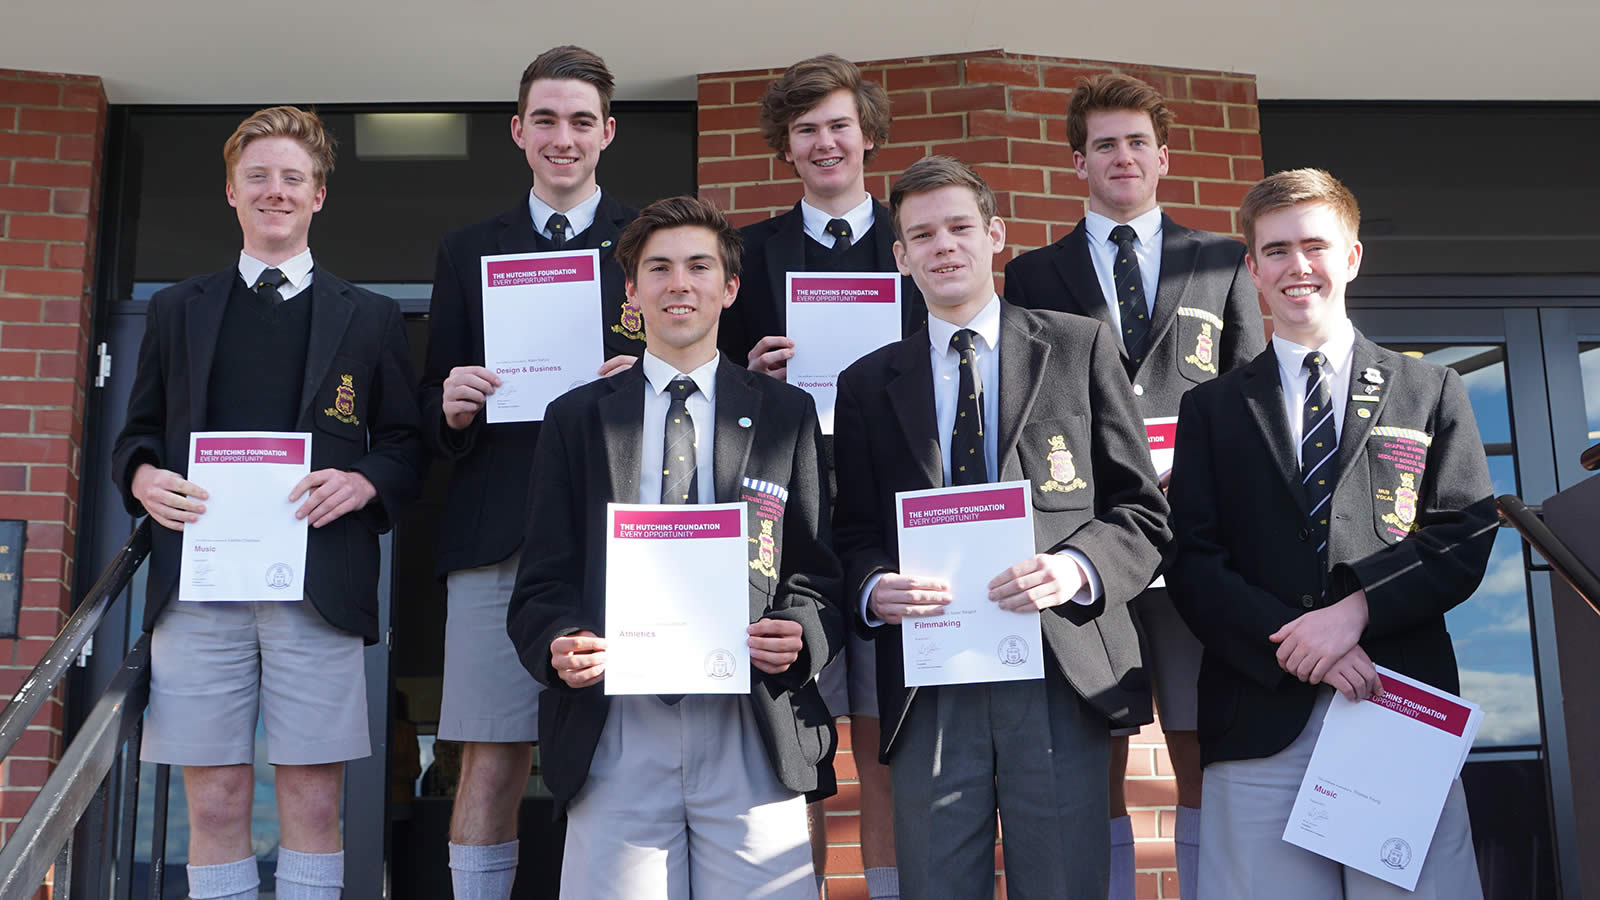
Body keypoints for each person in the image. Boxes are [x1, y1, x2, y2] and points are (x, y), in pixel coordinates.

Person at [832, 156, 1169, 899]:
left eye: (959, 227)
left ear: (995, 236)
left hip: (1056, 666)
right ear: (901, 256)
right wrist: (872, 588)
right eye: (922, 235)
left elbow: (1142, 512)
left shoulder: (1078, 346)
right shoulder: (865, 383)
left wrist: (1076, 568)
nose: (943, 246)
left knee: (1061, 883)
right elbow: (851, 531)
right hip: (932, 673)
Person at [113, 106, 425, 900]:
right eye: (259, 176)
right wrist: (143, 480)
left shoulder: (374, 316)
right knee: (213, 799)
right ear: (231, 191)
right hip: (201, 589)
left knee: (313, 800)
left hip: (316, 588)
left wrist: (363, 482)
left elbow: (404, 442)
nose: (275, 191)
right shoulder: (179, 308)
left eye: (293, 178)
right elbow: (138, 435)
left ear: (319, 194)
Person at [1167, 168, 1494, 899]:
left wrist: (1353, 614)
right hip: (1256, 717)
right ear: (1252, 268)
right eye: (1275, 250)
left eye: (1314, 245)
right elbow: (1193, 560)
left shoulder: (1429, 390)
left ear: (1351, 256)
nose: (1296, 266)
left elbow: (1462, 534)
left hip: (1396, 707)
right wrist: (1298, 642)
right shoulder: (1213, 409)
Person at [506, 195, 844, 899]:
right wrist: (559, 641)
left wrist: (802, 633)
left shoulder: (786, 413)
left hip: (751, 722)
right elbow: (543, 578)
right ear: (631, 292)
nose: (678, 284)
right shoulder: (575, 419)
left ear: (730, 287)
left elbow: (816, 569)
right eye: (658, 269)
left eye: (698, 266)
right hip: (618, 724)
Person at [1002, 72, 1265, 900]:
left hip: (1197, 544)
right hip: (1089, 544)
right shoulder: (1033, 275)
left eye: (1137, 142)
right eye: (1104, 144)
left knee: (1195, 735)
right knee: (1097, 737)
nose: (1123, 157)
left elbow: (1253, 394)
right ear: (1077, 162)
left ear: (1163, 156)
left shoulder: (1222, 261)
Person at [415, 45, 641, 898]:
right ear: (517, 131)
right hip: (498, 535)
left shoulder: (651, 244)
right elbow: (430, 415)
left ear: (607, 132)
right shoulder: (469, 249)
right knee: (491, 752)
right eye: (544, 119)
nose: (562, 137)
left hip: (626, 535)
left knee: (623, 751)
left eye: (581, 120)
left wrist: (645, 384)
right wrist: (453, 403)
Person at [715, 52, 923, 899]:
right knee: (792, 741)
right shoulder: (749, 251)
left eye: (839, 125)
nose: (826, 143)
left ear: (867, 135)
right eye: (806, 131)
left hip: (888, 517)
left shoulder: (916, 241)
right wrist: (748, 366)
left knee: (880, 741)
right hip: (786, 518)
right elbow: (710, 375)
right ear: (786, 148)